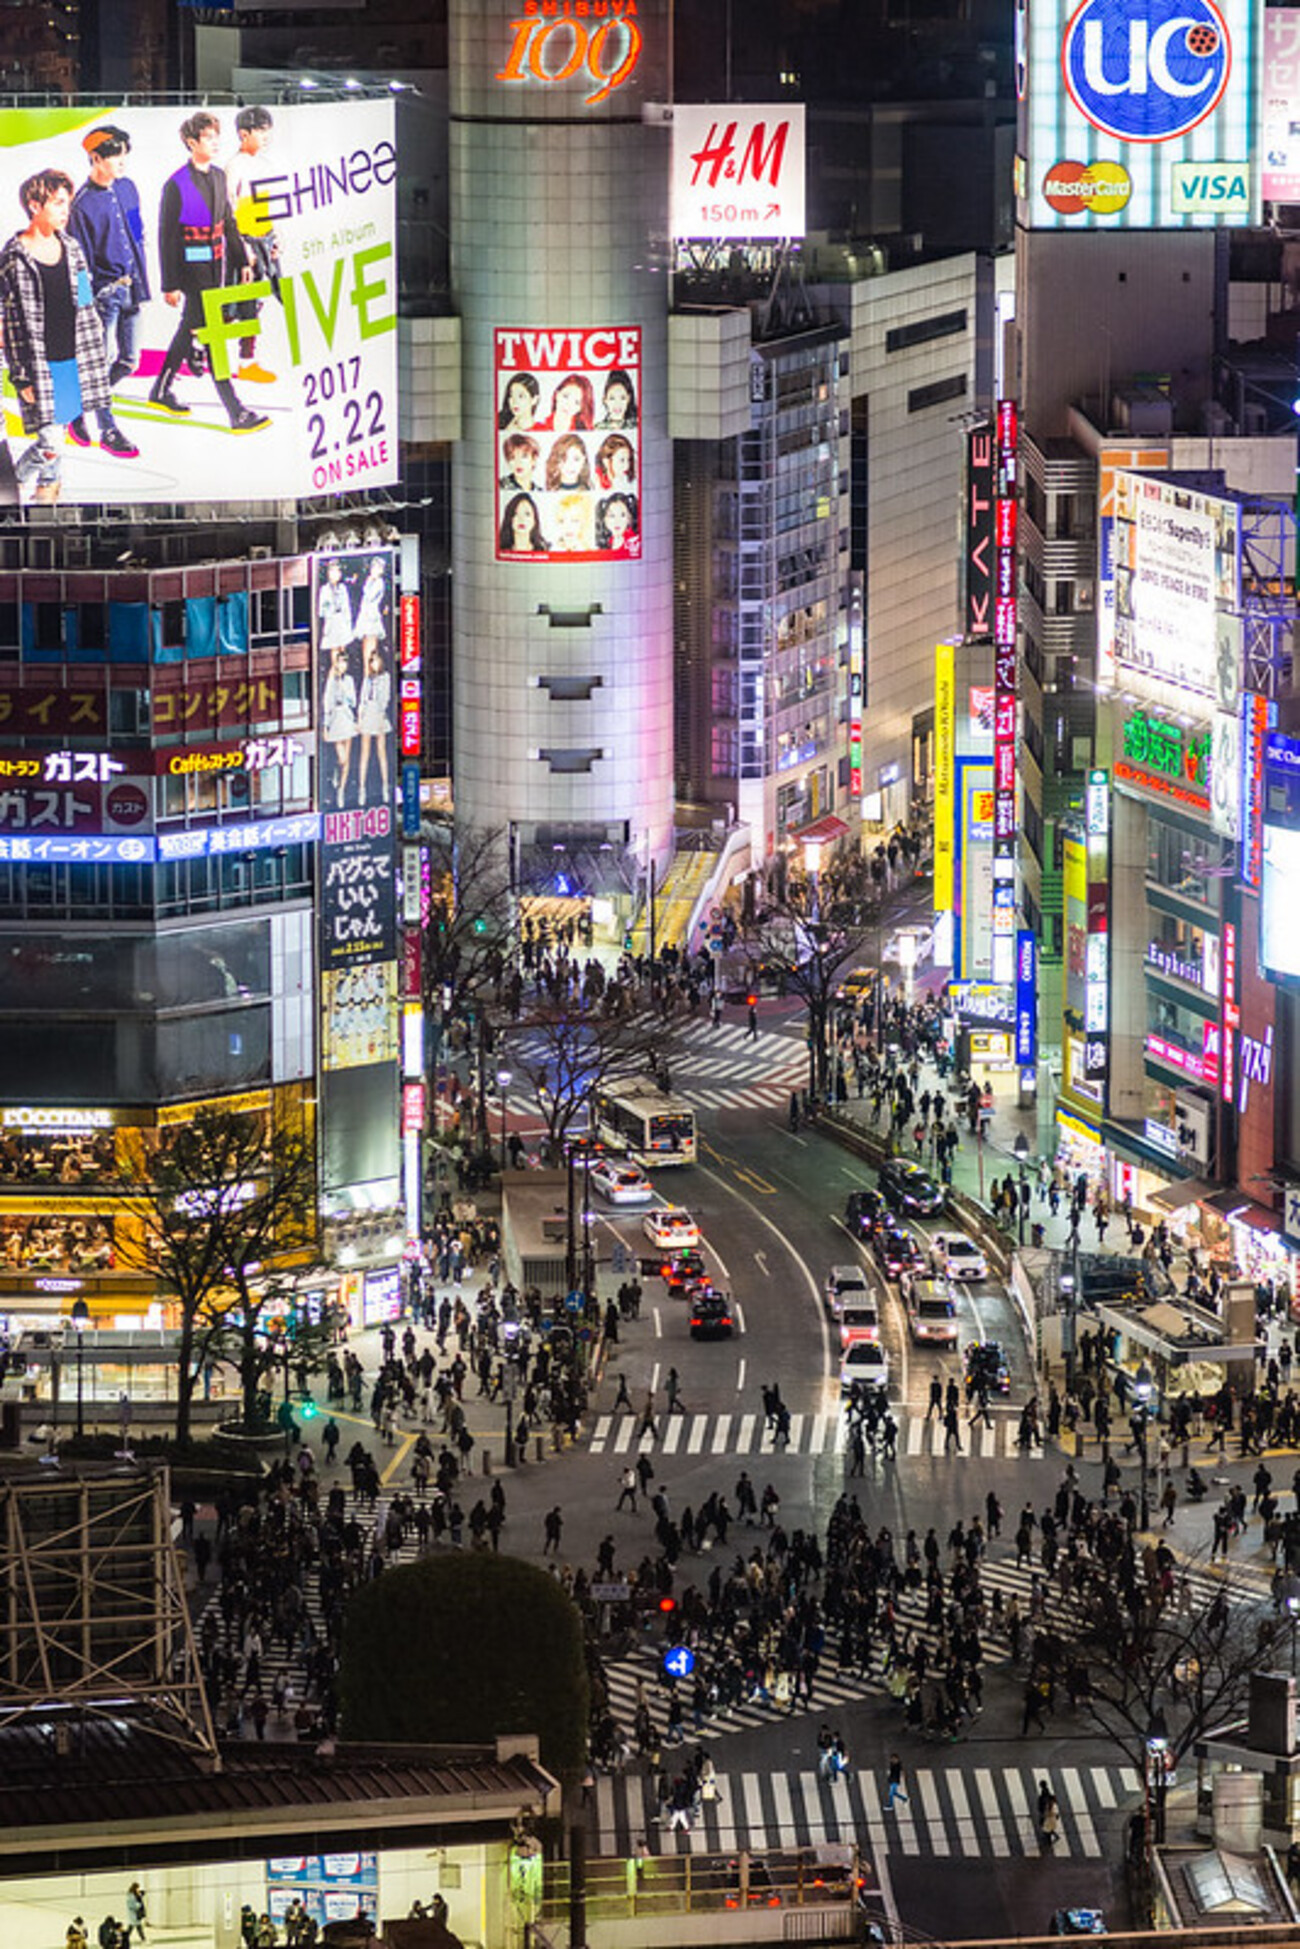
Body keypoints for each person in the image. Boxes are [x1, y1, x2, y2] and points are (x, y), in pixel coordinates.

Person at [0, 167, 120, 502]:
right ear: (34, 205)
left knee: (58, 446)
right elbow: (8, 323)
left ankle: (44, 509)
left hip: (73, 360)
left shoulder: (73, 249)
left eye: (66, 203)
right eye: (57, 203)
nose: (65, 210)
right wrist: (21, 377)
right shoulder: (13, 257)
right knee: (51, 443)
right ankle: (7, 486)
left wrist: (96, 349)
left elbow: (84, 304)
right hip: (40, 366)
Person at [151, 110, 268, 431]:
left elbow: (229, 223)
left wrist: (243, 261)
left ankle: (160, 389)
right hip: (190, 268)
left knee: (191, 325)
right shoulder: (175, 184)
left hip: (218, 264)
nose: (216, 143)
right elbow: (167, 237)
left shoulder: (218, 176)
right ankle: (235, 410)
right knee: (213, 330)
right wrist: (170, 283)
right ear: (191, 142)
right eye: (209, 137)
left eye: (217, 137)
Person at [66, 123, 148, 421]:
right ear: (96, 159)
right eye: (115, 156)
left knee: (129, 361)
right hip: (105, 292)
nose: (122, 161)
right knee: (101, 359)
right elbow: (81, 263)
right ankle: (101, 421)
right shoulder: (82, 205)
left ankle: (85, 402)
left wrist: (143, 281)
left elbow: (138, 234)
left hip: (133, 287)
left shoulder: (128, 188)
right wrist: (87, 303)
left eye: (125, 154)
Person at [224, 104, 280, 382]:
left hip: (263, 237)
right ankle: (197, 345)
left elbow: (267, 206)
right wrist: (241, 246)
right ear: (244, 134)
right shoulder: (235, 165)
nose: (266, 136)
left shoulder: (266, 164)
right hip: (244, 240)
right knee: (236, 303)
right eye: (260, 131)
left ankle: (247, 360)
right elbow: (228, 207)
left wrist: (274, 236)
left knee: (255, 301)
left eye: (267, 131)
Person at [320, 638, 357, 810]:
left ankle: (341, 789)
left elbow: (354, 701)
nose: (343, 666)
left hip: (347, 717)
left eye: (345, 663)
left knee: (347, 759)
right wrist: (325, 726)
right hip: (335, 718)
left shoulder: (348, 681)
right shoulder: (331, 681)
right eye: (340, 663)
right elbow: (326, 702)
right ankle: (336, 772)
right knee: (341, 757)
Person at [356, 643, 392, 806]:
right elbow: (362, 699)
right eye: (371, 661)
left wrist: (379, 713)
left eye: (375, 660)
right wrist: (359, 717)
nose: (373, 664)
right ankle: (361, 789)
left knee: (381, 752)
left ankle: (385, 787)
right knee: (365, 753)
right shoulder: (367, 679)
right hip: (368, 713)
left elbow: (385, 698)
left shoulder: (385, 678)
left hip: (378, 713)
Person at [498, 491, 549, 555]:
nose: (521, 519)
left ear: (534, 520)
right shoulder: (501, 550)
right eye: (516, 513)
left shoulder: (544, 551)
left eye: (527, 514)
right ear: (509, 519)